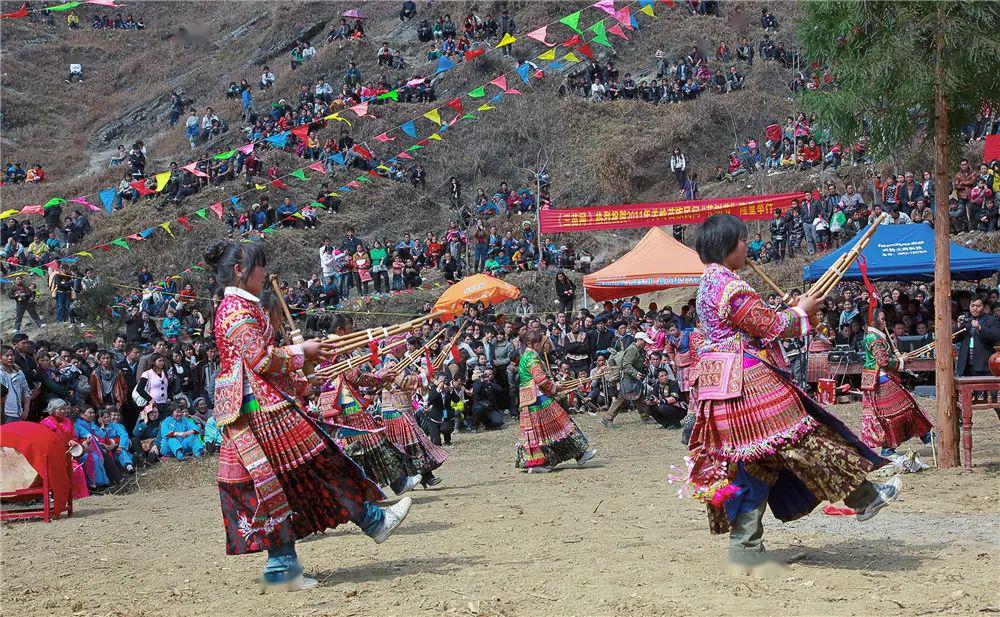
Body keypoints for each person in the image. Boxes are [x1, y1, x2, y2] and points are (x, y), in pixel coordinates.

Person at [686, 214, 901, 572]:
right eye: (742, 241)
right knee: (804, 439)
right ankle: (865, 498)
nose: (746, 247)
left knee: (752, 463)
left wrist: (793, 309)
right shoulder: (730, 287)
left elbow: (751, 325)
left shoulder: (708, 284)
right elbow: (768, 326)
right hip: (748, 383)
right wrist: (800, 312)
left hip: (721, 383)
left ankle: (746, 549)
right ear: (727, 246)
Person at [205, 240, 411, 591]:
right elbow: (262, 360)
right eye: (259, 266)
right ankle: (371, 521)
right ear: (240, 270)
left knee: (281, 482)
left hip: (258, 405)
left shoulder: (239, 307)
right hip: (259, 411)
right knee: (317, 464)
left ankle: (283, 563)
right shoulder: (236, 311)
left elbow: (262, 363)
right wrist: (301, 351)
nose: (264, 272)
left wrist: (303, 371)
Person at [515, 329, 596, 472]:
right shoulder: (531, 358)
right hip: (538, 398)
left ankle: (540, 462)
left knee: (540, 432)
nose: (541, 344)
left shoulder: (525, 357)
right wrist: (556, 388)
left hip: (529, 398)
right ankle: (579, 455)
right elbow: (541, 381)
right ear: (530, 343)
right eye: (539, 342)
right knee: (562, 423)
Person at [860, 307, 934, 464]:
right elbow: (883, 361)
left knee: (907, 408)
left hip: (883, 379)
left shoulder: (877, 336)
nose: (884, 321)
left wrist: (901, 358)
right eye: (881, 318)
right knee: (897, 413)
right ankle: (890, 448)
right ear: (873, 321)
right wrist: (901, 361)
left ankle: (927, 436)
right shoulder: (874, 338)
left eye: (884, 318)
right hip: (880, 380)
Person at [602, 332, 654, 427]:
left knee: (639, 397)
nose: (646, 344)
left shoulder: (639, 350)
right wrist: (635, 373)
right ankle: (607, 419)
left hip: (633, 378)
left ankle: (645, 417)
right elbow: (626, 365)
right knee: (622, 398)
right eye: (644, 342)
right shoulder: (633, 350)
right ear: (639, 340)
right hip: (628, 378)